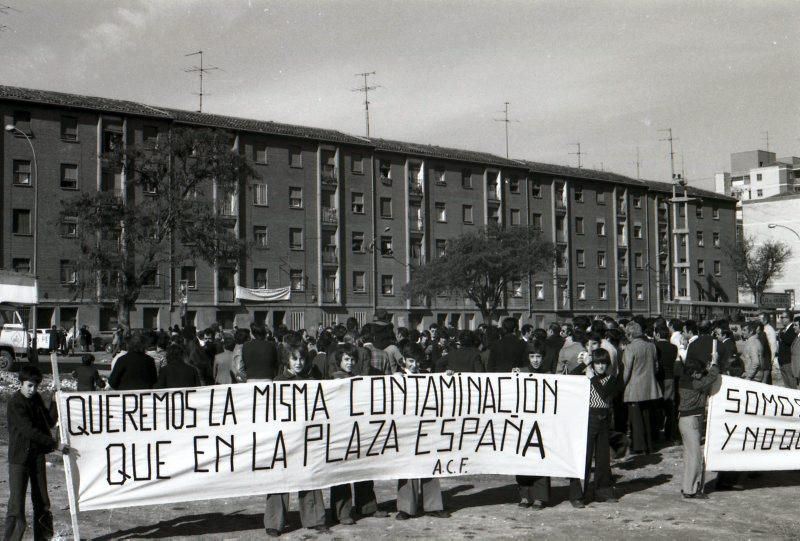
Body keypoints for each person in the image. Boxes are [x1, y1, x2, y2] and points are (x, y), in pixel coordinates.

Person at [264, 344, 328, 536]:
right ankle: (274, 522)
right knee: (280, 477)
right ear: (287, 361)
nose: (298, 363)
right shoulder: (277, 381)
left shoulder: (312, 381)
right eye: (294, 359)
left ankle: (315, 518)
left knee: (310, 475)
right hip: (284, 437)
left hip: (307, 436)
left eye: (301, 359)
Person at [4, 365, 69, 540]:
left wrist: (54, 401)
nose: (32, 390)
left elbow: (48, 421)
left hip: (37, 457)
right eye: (29, 386)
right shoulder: (15, 403)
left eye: (35, 386)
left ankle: (44, 538)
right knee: (16, 506)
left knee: (42, 502)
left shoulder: (37, 398)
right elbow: (29, 430)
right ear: (21, 383)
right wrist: (55, 444)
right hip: (19, 458)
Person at [395, 343, 450, 520]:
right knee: (407, 467)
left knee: (429, 465)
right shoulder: (396, 378)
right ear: (403, 360)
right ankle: (405, 507)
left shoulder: (427, 377)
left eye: (417, 362)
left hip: (426, 428)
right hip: (405, 429)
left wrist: (448, 377)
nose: (414, 365)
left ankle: (433, 505)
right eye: (411, 361)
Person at [569, 348, 619, 505]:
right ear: (593, 364)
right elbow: (569, 378)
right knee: (583, 457)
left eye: (604, 363)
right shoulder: (586, 375)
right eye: (597, 363)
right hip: (587, 418)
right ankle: (577, 495)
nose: (601, 366)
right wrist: (583, 365)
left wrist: (592, 378)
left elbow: (604, 394)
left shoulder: (612, 379)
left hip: (604, 419)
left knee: (603, 458)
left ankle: (602, 491)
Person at [677, 335, 720, 499]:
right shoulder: (695, 383)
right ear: (693, 372)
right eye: (698, 372)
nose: (700, 374)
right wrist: (715, 363)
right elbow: (711, 378)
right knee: (695, 457)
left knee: (689, 455)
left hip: (685, 420)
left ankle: (687, 487)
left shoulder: (685, 380)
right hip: (691, 421)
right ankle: (692, 490)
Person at [515, 341, 551, 509]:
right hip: (522, 422)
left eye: (538, 356)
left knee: (541, 458)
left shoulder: (549, 374)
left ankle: (540, 496)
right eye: (532, 356)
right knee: (522, 457)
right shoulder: (520, 372)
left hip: (542, 423)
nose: (535, 360)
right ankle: (524, 495)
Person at [622, 321, 662, 454]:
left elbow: (627, 370)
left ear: (630, 334)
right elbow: (656, 367)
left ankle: (639, 446)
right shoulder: (652, 346)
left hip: (634, 386)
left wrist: (622, 385)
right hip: (650, 385)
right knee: (647, 417)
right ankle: (649, 445)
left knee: (636, 419)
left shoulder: (630, 348)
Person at [776, 311, 797, 389]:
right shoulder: (783, 330)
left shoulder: (793, 328)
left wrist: (781, 335)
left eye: (782, 317)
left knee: (792, 384)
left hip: (789, 361)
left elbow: (789, 340)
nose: (781, 319)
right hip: (782, 361)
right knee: (787, 385)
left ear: (788, 318)